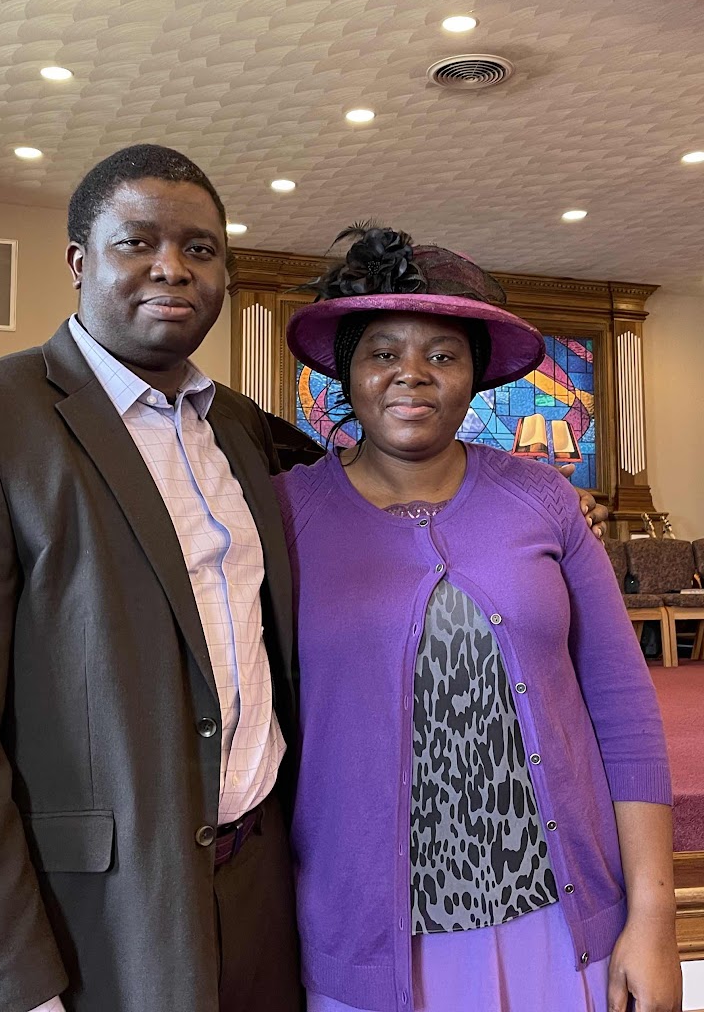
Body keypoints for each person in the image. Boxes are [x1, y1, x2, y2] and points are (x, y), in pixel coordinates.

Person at [0, 145, 303, 1012]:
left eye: (201, 248)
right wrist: (4, 983)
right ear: (78, 261)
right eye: (137, 242)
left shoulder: (244, 429)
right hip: (85, 912)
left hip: (258, 885)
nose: (172, 267)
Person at [276, 226, 681, 1012]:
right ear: (348, 373)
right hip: (368, 933)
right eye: (383, 352)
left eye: (443, 354)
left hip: (556, 923)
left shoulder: (545, 500)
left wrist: (654, 919)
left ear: (474, 378)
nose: (412, 374)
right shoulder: (283, 514)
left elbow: (625, 713)